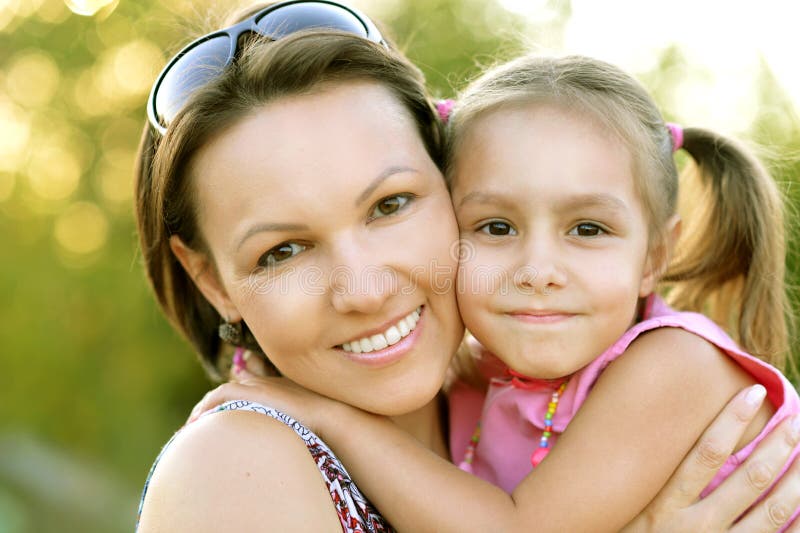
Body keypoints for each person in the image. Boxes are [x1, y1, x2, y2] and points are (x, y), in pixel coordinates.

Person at [134, 1, 800, 531]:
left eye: (390, 204)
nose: (364, 290)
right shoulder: (234, 465)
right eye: (283, 249)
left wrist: (333, 417)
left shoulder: (509, 396)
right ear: (213, 280)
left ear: (448, 183)